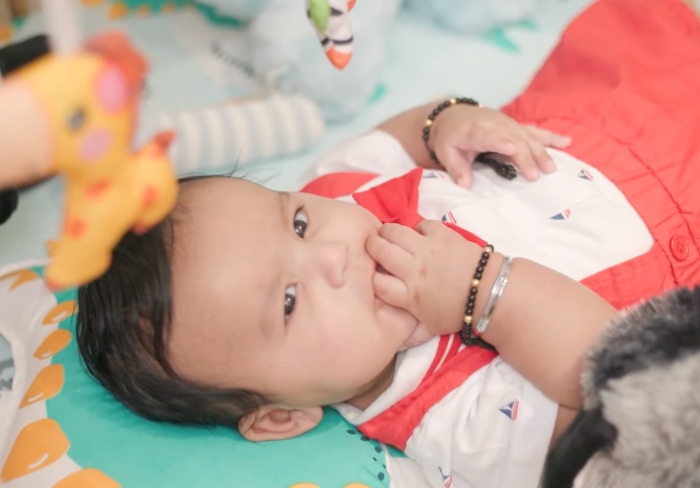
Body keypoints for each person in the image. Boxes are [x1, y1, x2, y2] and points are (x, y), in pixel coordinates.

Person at [75, 0, 700, 486]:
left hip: (598, 119)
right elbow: (615, 379)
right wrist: (481, 292)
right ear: (282, 415)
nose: (331, 254)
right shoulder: (451, 420)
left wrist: (448, 120)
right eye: (289, 301)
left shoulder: (337, 196)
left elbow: (400, 136)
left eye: (297, 223)